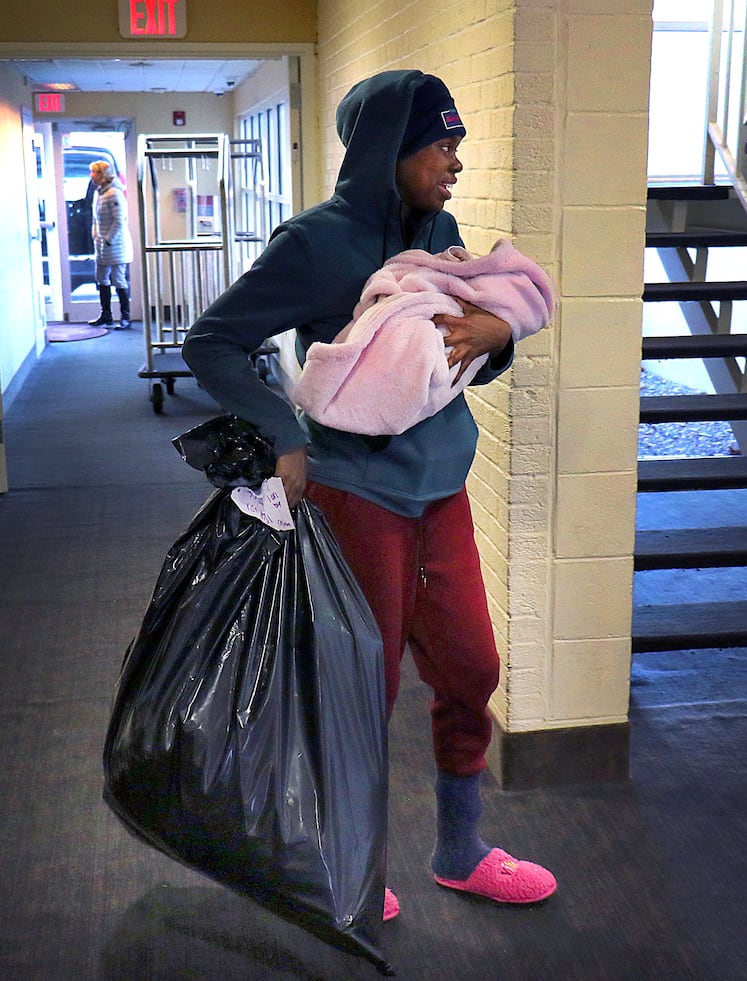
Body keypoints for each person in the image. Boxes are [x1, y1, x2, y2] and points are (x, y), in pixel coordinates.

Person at [182, 69, 557, 922]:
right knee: (361, 687)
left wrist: (499, 334)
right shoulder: (315, 244)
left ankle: (460, 850)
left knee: (470, 666)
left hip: (440, 491)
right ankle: (349, 861)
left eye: (457, 143)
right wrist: (284, 434)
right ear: (389, 148)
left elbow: (460, 354)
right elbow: (213, 344)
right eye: (439, 143)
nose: (453, 161)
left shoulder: (442, 232)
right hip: (355, 495)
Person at [88, 160, 132, 329]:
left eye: (94, 172)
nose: (91, 175)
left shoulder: (114, 194)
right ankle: (106, 315)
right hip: (101, 246)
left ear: (103, 175)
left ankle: (125, 317)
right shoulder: (98, 194)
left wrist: (108, 239)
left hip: (116, 246)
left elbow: (120, 221)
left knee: (118, 279)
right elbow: (95, 218)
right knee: (101, 278)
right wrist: (96, 235)